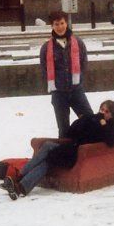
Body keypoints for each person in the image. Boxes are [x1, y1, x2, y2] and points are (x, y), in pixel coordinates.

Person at [1, 100, 114, 200]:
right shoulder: (92, 119)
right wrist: (84, 120)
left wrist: (103, 125)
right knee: (47, 146)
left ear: (112, 115)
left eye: (106, 111)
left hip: (78, 154)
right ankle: (19, 179)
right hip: (71, 148)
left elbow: (112, 141)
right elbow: (71, 133)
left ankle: (20, 185)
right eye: (101, 109)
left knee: (48, 161)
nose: (102, 113)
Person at [39, 9, 93, 138]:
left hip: (76, 90)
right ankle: (65, 149)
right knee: (63, 128)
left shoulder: (78, 43)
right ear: (52, 26)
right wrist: (57, 83)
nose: (60, 27)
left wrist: (78, 80)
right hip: (59, 94)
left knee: (90, 120)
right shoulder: (46, 47)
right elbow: (44, 69)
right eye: (56, 24)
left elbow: (84, 63)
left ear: (66, 23)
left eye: (62, 23)